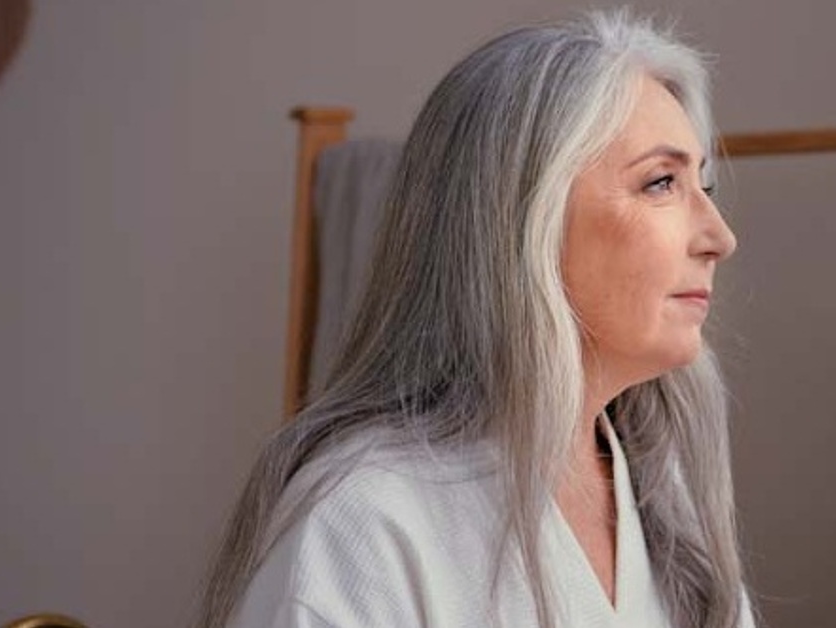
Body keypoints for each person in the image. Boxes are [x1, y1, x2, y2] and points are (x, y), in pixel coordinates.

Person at [196, 10, 751, 628]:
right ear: (519, 222)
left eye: (704, 187)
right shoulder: (362, 524)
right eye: (660, 183)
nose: (718, 237)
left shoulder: (661, 488)